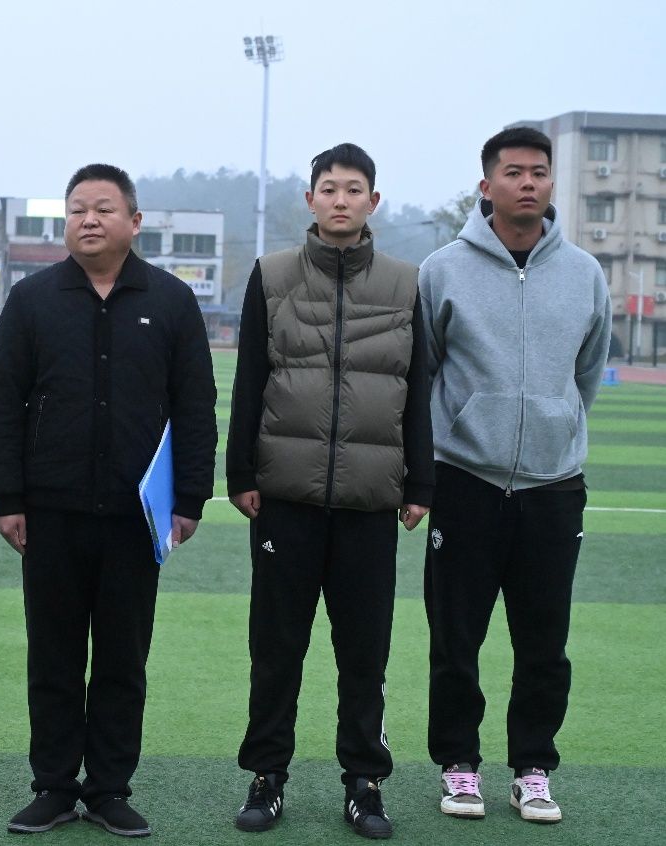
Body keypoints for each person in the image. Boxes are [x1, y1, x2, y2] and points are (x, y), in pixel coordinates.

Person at [0, 164, 217, 838]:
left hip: (137, 516)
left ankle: (109, 787)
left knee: (122, 659)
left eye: (104, 208)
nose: (88, 219)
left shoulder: (171, 300)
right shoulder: (33, 299)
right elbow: (1, 402)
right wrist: (6, 497)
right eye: (77, 208)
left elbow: (195, 406)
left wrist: (190, 499)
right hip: (50, 512)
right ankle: (54, 786)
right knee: (53, 657)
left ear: (134, 222)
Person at [224, 144, 433, 840]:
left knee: (365, 655)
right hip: (285, 497)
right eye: (328, 188)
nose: (340, 199)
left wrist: (420, 480)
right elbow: (250, 378)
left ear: (374, 201)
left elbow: (418, 388)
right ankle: (266, 776)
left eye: (353, 189)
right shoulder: (271, 275)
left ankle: (364, 783)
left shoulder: (406, 283)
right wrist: (240, 473)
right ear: (309, 199)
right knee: (276, 649)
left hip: (370, 501)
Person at [420, 127, 611, 825]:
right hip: (464, 481)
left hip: (553, 487)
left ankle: (533, 768)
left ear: (552, 182)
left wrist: (553, 423)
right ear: (486, 185)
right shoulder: (442, 269)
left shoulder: (585, 273)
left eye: (538, 172)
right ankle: (459, 763)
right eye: (513, 172)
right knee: (456, 639)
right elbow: (426, 368)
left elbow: (587, 372)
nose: (527, 182)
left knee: (544, 643)